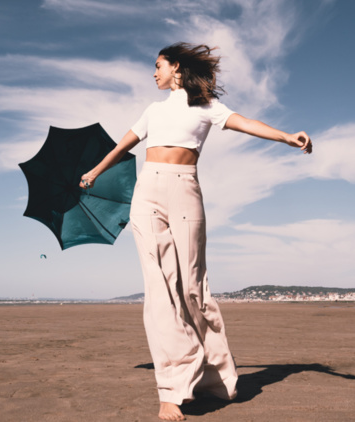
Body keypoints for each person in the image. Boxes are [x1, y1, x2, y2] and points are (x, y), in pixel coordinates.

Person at [80, 42, 312, 421]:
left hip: (185, 188)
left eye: (158, 65)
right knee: (158, 288)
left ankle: (215, 378)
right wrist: (94, 172)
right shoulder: (152, 111)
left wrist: (286, 137)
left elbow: (246, 123)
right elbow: (123, 146)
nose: (153, 73)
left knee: (192, 288)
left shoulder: (207, 108)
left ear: (177, 68)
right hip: (148, 192)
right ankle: (171, 388)